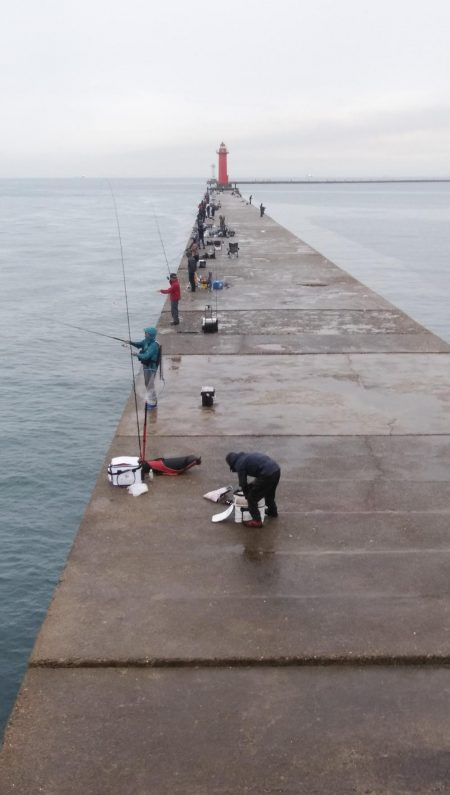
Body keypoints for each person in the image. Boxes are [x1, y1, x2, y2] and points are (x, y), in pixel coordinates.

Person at [226, 452, 281, 528]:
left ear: (232, 464)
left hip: (266, 474)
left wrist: (247, 495)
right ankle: (272, 512)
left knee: (252, 498)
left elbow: (243, 483)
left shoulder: (239, 464)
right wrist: (252, 486)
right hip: (276, 470)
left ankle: (257, 521)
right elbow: (258, 475)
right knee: (269, 493)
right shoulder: (244, 457)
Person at [129, 326, 160, 406]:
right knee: (146, 383)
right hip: (146, 366)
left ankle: (153, 401)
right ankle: (150, 398)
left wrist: (136, 354)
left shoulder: (154, 345)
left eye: (146, 333)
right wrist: (130, 342)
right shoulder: (146, 341)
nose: (145, 334)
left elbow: (146, 356)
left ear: (150, 335)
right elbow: (139, 344)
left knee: (150, 384)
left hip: (151, 367)